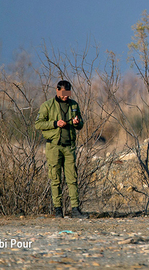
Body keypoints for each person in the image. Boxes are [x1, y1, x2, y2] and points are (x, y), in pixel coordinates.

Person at [35, 80, 88, 218]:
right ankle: (58, 210)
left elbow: (80, 123)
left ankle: (75, 209)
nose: (66, 96)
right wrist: (55, 123)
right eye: (63, 93)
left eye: (68, 93)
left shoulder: (74, 105)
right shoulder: (47, 106)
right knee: (55, 178)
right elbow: (38, 124)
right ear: (57, 90)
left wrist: (77, 123)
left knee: (72, 178)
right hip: (53, 146)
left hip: (69, 146)